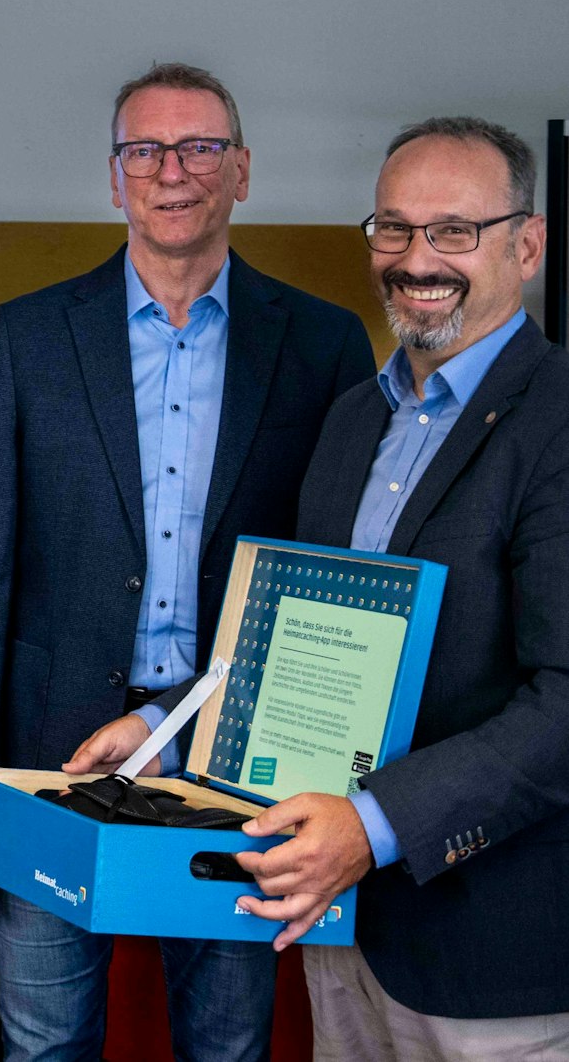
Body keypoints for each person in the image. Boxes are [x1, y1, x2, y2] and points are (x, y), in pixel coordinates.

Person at [0, 63, 375, 1062]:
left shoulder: (324, 344)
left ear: (243, 170)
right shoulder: (29, 337)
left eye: (201, 146)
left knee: (225, 1040)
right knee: (42, 1041)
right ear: (115, 175)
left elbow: (328, 582)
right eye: (146, 150)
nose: (173, 171)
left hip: (234, 764)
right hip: (48, 758)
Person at [232, 118, 562, 1057]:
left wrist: (372, 827)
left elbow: (567, 703)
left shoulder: (561, 422)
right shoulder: (353, 419)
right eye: (393, 228)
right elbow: (297, 635)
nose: (418, 259)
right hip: (345, 928)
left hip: (493, 955)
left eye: (454, 230)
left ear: (525, 245)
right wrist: (171, 721)